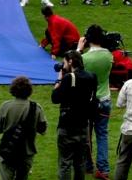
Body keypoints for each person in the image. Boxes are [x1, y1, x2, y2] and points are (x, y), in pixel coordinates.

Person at [51, 50, 98, 180]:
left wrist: (59, 78)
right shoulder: (92, 77)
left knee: (65, 163)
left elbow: (55, 98)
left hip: (67, 126)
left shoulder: (68, 78)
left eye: (64, 62)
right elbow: (93, 99)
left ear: (70, 61)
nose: (63, 64)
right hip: (83, 125)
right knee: (80, 163)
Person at [0, 76, 48, 180]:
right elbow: (43, 129)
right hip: (26, 153)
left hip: (7, 151)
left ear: (13, 89)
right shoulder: (36, 107)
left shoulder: (6, 106)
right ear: (29, 90)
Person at [79, 26, 114, 179]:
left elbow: (74, 71)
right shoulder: (109, 56)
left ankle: (88, 165)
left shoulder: (84, 59)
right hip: (104, 100)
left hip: (88, 101)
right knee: (102, 135)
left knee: (86, 135)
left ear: (87, 39)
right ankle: (103, 169)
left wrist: (78, 49)